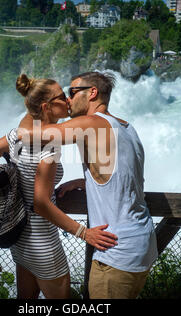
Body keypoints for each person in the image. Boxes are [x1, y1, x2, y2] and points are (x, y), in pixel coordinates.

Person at [0, 74, 118, 299]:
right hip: (43, 242)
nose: (68, 100)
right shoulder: (48, 148)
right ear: (46, 107)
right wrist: (84, 233)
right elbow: (41, 204)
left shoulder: (16, 137)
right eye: (62, 97)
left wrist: (11, 182)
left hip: (19, 236)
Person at [20, 72, 158, 299]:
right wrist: (87, 180)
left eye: (72, 93)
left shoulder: (91, 123)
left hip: (115, 249)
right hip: (142, 242)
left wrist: (34, 105)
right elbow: (126, 177)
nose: (68, 100)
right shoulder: (127, 128)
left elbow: (30, 136)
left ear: (92, 93)